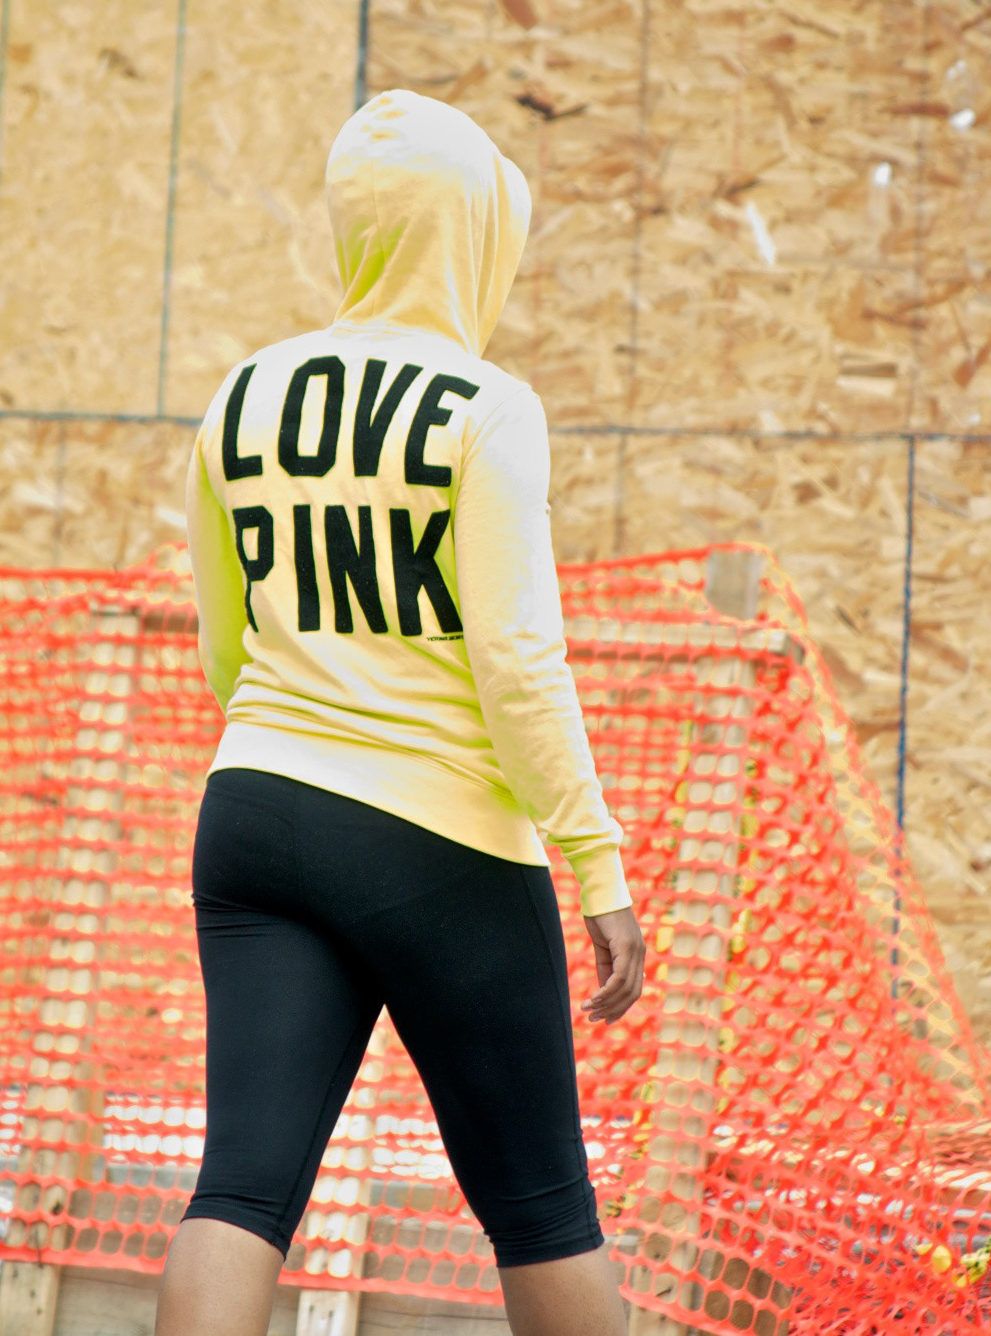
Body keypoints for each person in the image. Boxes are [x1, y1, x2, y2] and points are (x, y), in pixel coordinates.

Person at [161, 91, 646, 1336]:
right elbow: (517, 660)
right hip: (438, 840)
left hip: (255, 810)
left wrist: (307, 736)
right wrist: (596, 859)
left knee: (240, 1188)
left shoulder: (242, 395)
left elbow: (228, 646)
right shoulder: (486, 407)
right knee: (543, 1208)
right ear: (472, 231)